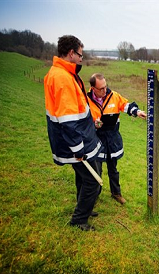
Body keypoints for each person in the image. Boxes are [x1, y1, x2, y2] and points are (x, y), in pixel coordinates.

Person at [44, 35, 102, 231]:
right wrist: (78, 149)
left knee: (83, 177)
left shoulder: (62, 73)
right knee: (92, 181)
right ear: (70, 53)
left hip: (77, 138)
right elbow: (68, 120)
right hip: (74, 142)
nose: (81, 59)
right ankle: (79, 219)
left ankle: (84, 207)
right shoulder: (61, 78)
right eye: (79, 55)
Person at [87, 73, 146, 205]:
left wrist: (137, 112)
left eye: (105, 87)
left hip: (112, 139)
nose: (104, 90)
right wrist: (93, 125)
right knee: (97, 170)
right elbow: (82, 120)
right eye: (101, 88)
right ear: (93, 88)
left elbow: (126, 105)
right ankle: (94, 195)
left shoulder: (113, 96)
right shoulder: (86, 99)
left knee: (113, 169)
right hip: (97, 140)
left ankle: (116, 193)